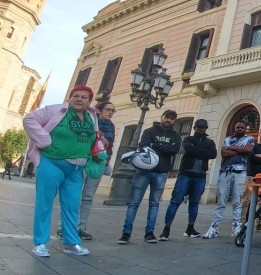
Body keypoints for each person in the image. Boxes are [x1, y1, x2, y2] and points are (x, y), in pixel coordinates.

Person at [23, 85, 101, 257]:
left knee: (72, 207)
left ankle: (71, 242)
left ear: (89, 101)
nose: (79, 99)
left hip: (76, 169)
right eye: (76, 96)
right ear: (70, 97)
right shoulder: (55, 110)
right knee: (44, 204)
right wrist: (44, 140)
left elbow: (95, 137)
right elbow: (29, 120)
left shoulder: (91, 116)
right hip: (52, 163)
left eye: (84, 97)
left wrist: (100, 153)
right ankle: (40, 243)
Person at [118, 109, 181, 244]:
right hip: (144, 171)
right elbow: (144, 146)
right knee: (134, 203)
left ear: (174, 121)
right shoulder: (149, 131)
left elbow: (174, 150)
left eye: (172, 118)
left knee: (154, 203)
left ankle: (149, 233)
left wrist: (155, 145)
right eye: (167, 117)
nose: (169, 120)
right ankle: (126, 233)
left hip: (161, 173)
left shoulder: (175, 136)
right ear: (162, 117)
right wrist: (164, 147)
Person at [57, 101, 117, 240]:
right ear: (99, 110)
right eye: (108, 109)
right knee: (74, 194)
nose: (110, 112)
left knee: (88, 197)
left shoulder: (111, 127)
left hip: (98, 164)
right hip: (84, 161)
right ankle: (64, 226)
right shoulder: (90, 121)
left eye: (113, 111)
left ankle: (81, 227)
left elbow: (110, 146)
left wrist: (106, 160)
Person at [159, 119, 217, 241]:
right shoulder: (188, 139)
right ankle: (166, 229)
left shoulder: (209, 142)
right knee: (175, 201)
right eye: (199, 127)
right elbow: (188, 149)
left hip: (200, 175)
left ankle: (190, 228)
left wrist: (197, 151)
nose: (202, 129)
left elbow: (213, 154)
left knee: (195, 202)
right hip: (185, 173)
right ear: (195, 127)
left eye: (204, 127)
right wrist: (203, 151)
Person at [204, 121, 254, 239]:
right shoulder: (227, 138)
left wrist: (231, 148)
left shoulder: (250, 138)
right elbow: (223, 152)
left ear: (245, 129)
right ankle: (214, 227)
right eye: (238, 127)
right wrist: (239, 149)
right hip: (225, 171)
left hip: (240, 172)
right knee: (221, 200)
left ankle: (236, 227)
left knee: (237, 201)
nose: (240, 129)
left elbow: (248, 150)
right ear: (234, 128)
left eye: (242, 127)